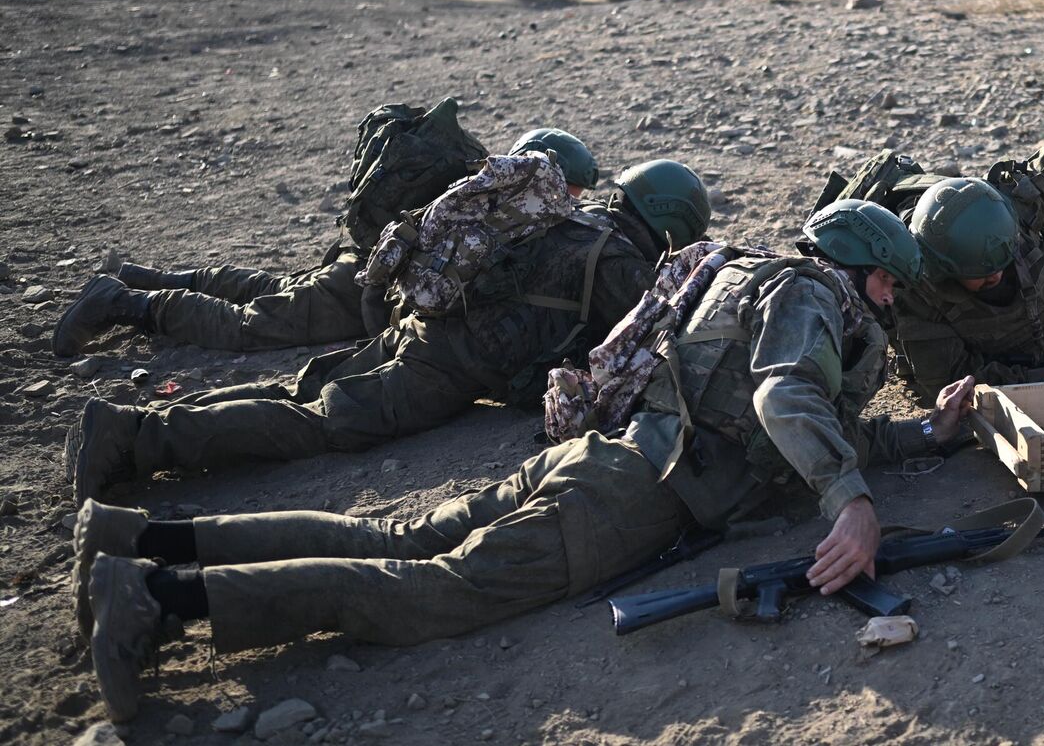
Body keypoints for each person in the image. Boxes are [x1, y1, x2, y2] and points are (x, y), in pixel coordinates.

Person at [73, 199, 979, 722]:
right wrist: (852, 503)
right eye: (892, 282)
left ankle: (138, 536)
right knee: (431, 593)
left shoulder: (752, 276)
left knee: (388, 533)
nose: (892, 300)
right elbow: (787, 400)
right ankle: (157, 598)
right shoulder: (815, 302)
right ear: (864, 267)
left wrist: (920, 438)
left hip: (604, 454)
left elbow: (788, 417)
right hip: (631, 498)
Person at [64, 159, 709, 503]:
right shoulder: (623, 264)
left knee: (301, 395)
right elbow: (637, 356)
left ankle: (138, 423)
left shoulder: (568, 214)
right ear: (673, 222)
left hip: (422, 318)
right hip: (447, 365)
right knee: (320, 423)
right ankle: (134, 438)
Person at [50, 126, 601, 357]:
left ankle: (151, 279)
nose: (572, 201)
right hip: (371, 281)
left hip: (363, 260)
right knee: (257, 327)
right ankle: (122, 302)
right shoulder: (517, 205)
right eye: (574, 189)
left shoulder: (489, 183)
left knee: (278, 288)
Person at [890, 131, 1044, 401]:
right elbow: (952, 385)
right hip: (1001, 360)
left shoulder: (1019, 208)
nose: (997, 275)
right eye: (980, 272)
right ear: (946, 269)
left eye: (1004, 259)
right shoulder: (918, 289)